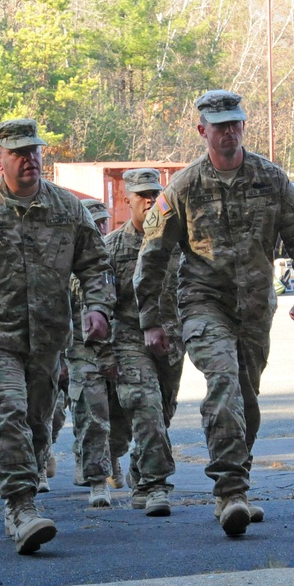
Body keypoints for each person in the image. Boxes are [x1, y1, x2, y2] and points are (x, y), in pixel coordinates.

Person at [134, 90, 294, 537]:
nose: (229, 132)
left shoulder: (271, 179)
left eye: (235, 123)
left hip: (256, 309)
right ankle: (230, 492)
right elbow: (153, 258)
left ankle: (237, 483)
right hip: (203, 304)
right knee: (224, 384)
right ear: (203, 131)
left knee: (247, 401)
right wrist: (152, 320)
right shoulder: (183, 188)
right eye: (220, 126)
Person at [0, 119, 115, 554]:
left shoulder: (68, 208)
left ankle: (22, 491)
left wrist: (98, 309)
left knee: (36, 426)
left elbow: (95, 265)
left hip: (48, 341)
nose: (31, 159)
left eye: (35, 151)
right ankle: (21, 507)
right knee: (8, 411)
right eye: (19, 153)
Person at [105, 168, 182, 515]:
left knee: (162, 414)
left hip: (171, 339)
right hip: (129, 338)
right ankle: (155, 487)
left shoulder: (178, 243)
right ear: (127, 200)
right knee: (145, 406)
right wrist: (103, 351)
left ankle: (141, 468)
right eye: (142, 195)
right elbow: (98, 302)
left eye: (155, 193)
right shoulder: (111, 247)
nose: (150, 200)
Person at [62, 198, 116, 508]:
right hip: (82, 350)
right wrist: (62, 358)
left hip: (121, 346)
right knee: (93, 414)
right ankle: (98, 480)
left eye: (102, 223)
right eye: (92, 224)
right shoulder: (71, 263)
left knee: (122, 417)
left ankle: (113, 459)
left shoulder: (119, 253)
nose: (99, 229)